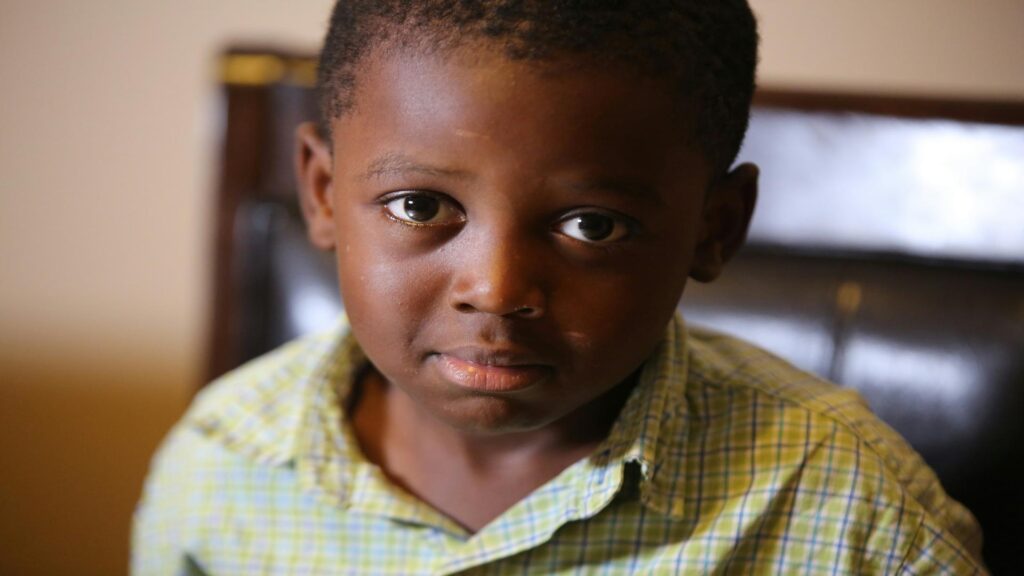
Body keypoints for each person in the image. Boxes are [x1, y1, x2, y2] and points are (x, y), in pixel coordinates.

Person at [133, 1, 986, 574]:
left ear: (714, 229)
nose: (497, 289)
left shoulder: (855, 518)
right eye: (420, 206)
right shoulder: (222, 468)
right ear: (323, 194)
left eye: (593, 225)